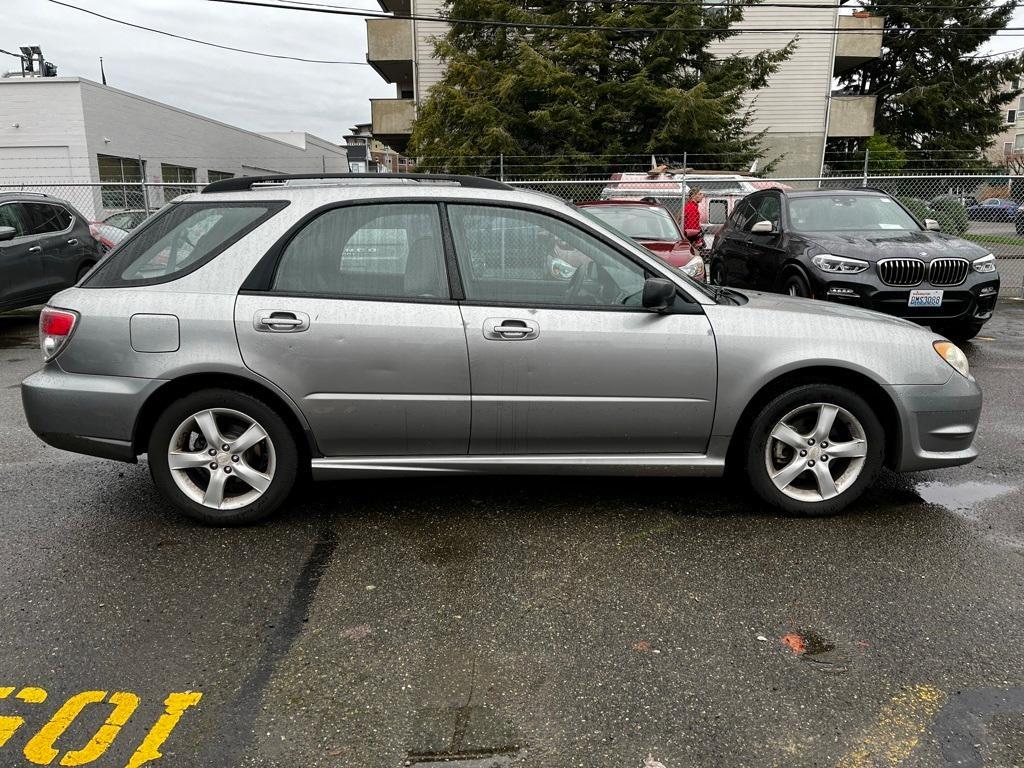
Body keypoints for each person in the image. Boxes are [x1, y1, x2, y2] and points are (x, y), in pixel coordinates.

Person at [683, 186, 705, 252]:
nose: (702, 196)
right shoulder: (692, 208)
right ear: (693, 196)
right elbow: (691, 228)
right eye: (700, 194)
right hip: (692, 241)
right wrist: (696, 241)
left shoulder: (690, 206)